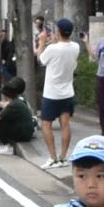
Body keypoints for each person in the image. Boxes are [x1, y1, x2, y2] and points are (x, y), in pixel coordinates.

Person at [35, 18, 82, 168]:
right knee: (65, 125)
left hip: (51, 94)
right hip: (68, 92)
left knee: (46, 124)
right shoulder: (75, 47)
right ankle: (63, 157)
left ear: (59, 32)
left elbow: (41, 59)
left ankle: (52, 157)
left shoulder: (52, 49)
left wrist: (42, 41)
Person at [0, 77, 35, 155]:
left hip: (24, 134)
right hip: (28, 131)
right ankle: (3, 144)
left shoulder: (13, 104)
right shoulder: (18, 100)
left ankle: (7, 146)